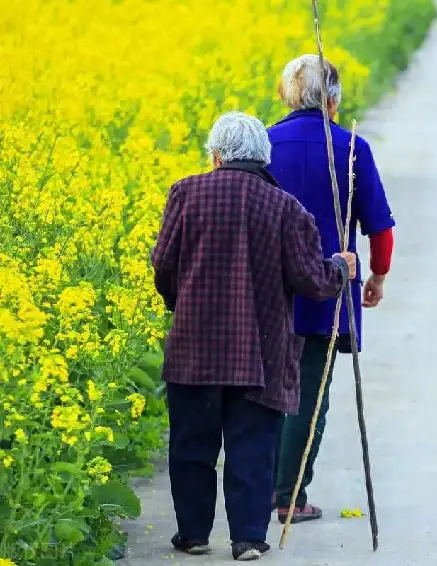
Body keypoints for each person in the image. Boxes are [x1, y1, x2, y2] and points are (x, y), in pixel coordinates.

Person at [150, 111, 357, 561]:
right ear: (265, 157)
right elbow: (312, 281)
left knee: (191, 446)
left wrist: (179, 303)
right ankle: (246, 539)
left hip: (194, 348)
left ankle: (194, 535)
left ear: (216, 154)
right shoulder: (285, 207)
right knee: (252, 449)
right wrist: (340, 268)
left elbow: (163, 265)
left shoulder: (185, 193)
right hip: (259, 353)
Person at [267, 54, 395, 524]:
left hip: (268, 289)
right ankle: (289, 495)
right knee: (308, 392)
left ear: (284, 95)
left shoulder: (261, 143)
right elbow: (379, 227)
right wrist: (378, 275)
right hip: (327, 287)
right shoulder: (351, 147)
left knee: (263, 392)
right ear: (335, 103)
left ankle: (260, 490)